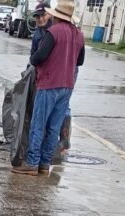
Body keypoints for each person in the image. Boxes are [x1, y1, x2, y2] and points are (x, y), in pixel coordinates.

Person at [12, 0, 84, 176]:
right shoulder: (79, 34)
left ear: (57, 16)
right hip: (67, 86)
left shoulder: (53, 32)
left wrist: (36, 60)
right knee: (54, 127)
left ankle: (32, 163)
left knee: (38, 125)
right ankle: (45, 165)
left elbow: (39, 57)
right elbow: (80, 61)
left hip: (49, 84)